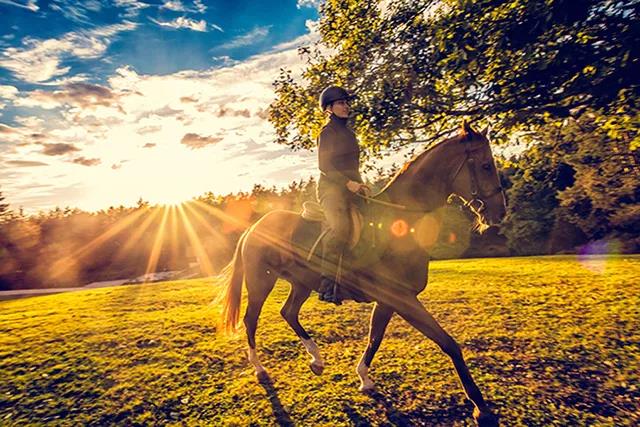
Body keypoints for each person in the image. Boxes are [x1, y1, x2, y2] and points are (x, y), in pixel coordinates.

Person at [316, 85, 370, 304]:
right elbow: (324, 165)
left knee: (377, 221)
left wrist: (360, 184)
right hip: (331, 190)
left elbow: (352, 166)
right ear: (328, 108)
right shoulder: (327, 133)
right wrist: (347, 183)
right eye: (341, 103)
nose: (346, 106)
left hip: (353, 187)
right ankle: (327, 286)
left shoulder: (350, 133)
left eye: (347, 103)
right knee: (340, 228)